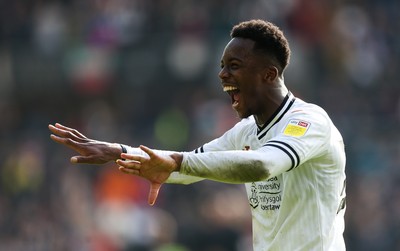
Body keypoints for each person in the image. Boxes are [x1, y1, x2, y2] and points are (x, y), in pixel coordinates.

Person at [49, 19, 346, 250]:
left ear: (269, 74)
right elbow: (190, 163)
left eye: (234, 66)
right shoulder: (246, 131)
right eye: (222, 67)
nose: (222, 75)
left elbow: (262, 165)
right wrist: (118, 151)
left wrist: (177, 164)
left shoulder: (309, 122)